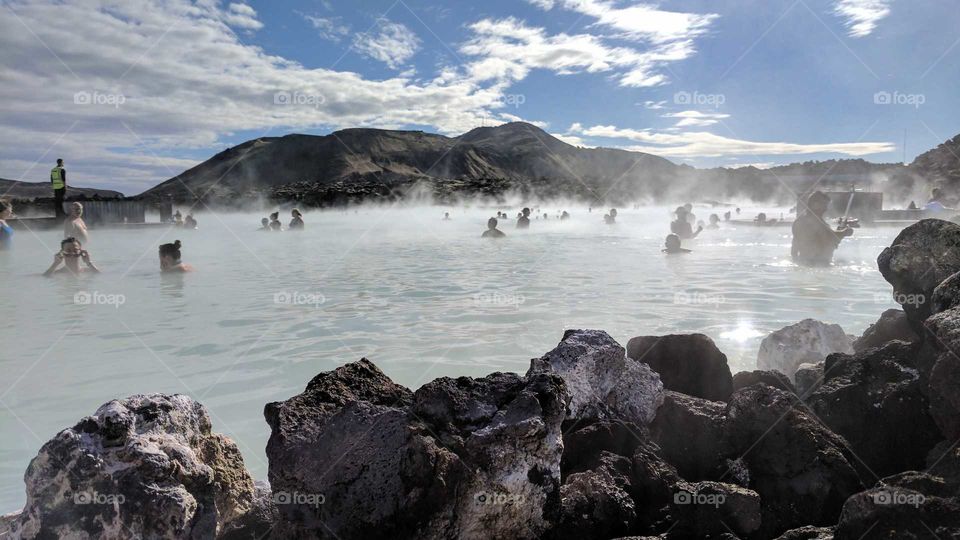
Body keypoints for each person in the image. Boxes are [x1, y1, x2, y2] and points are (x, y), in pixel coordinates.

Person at [791, 190, 853, 266]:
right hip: (818, 263)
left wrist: (795, 261)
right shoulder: (814, 222)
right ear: (815, 205)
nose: (826, 209)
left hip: (804, 261)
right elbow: (831, 237)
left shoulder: (799, 221)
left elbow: (794, 247)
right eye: (824, 205)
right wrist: (846, 231)